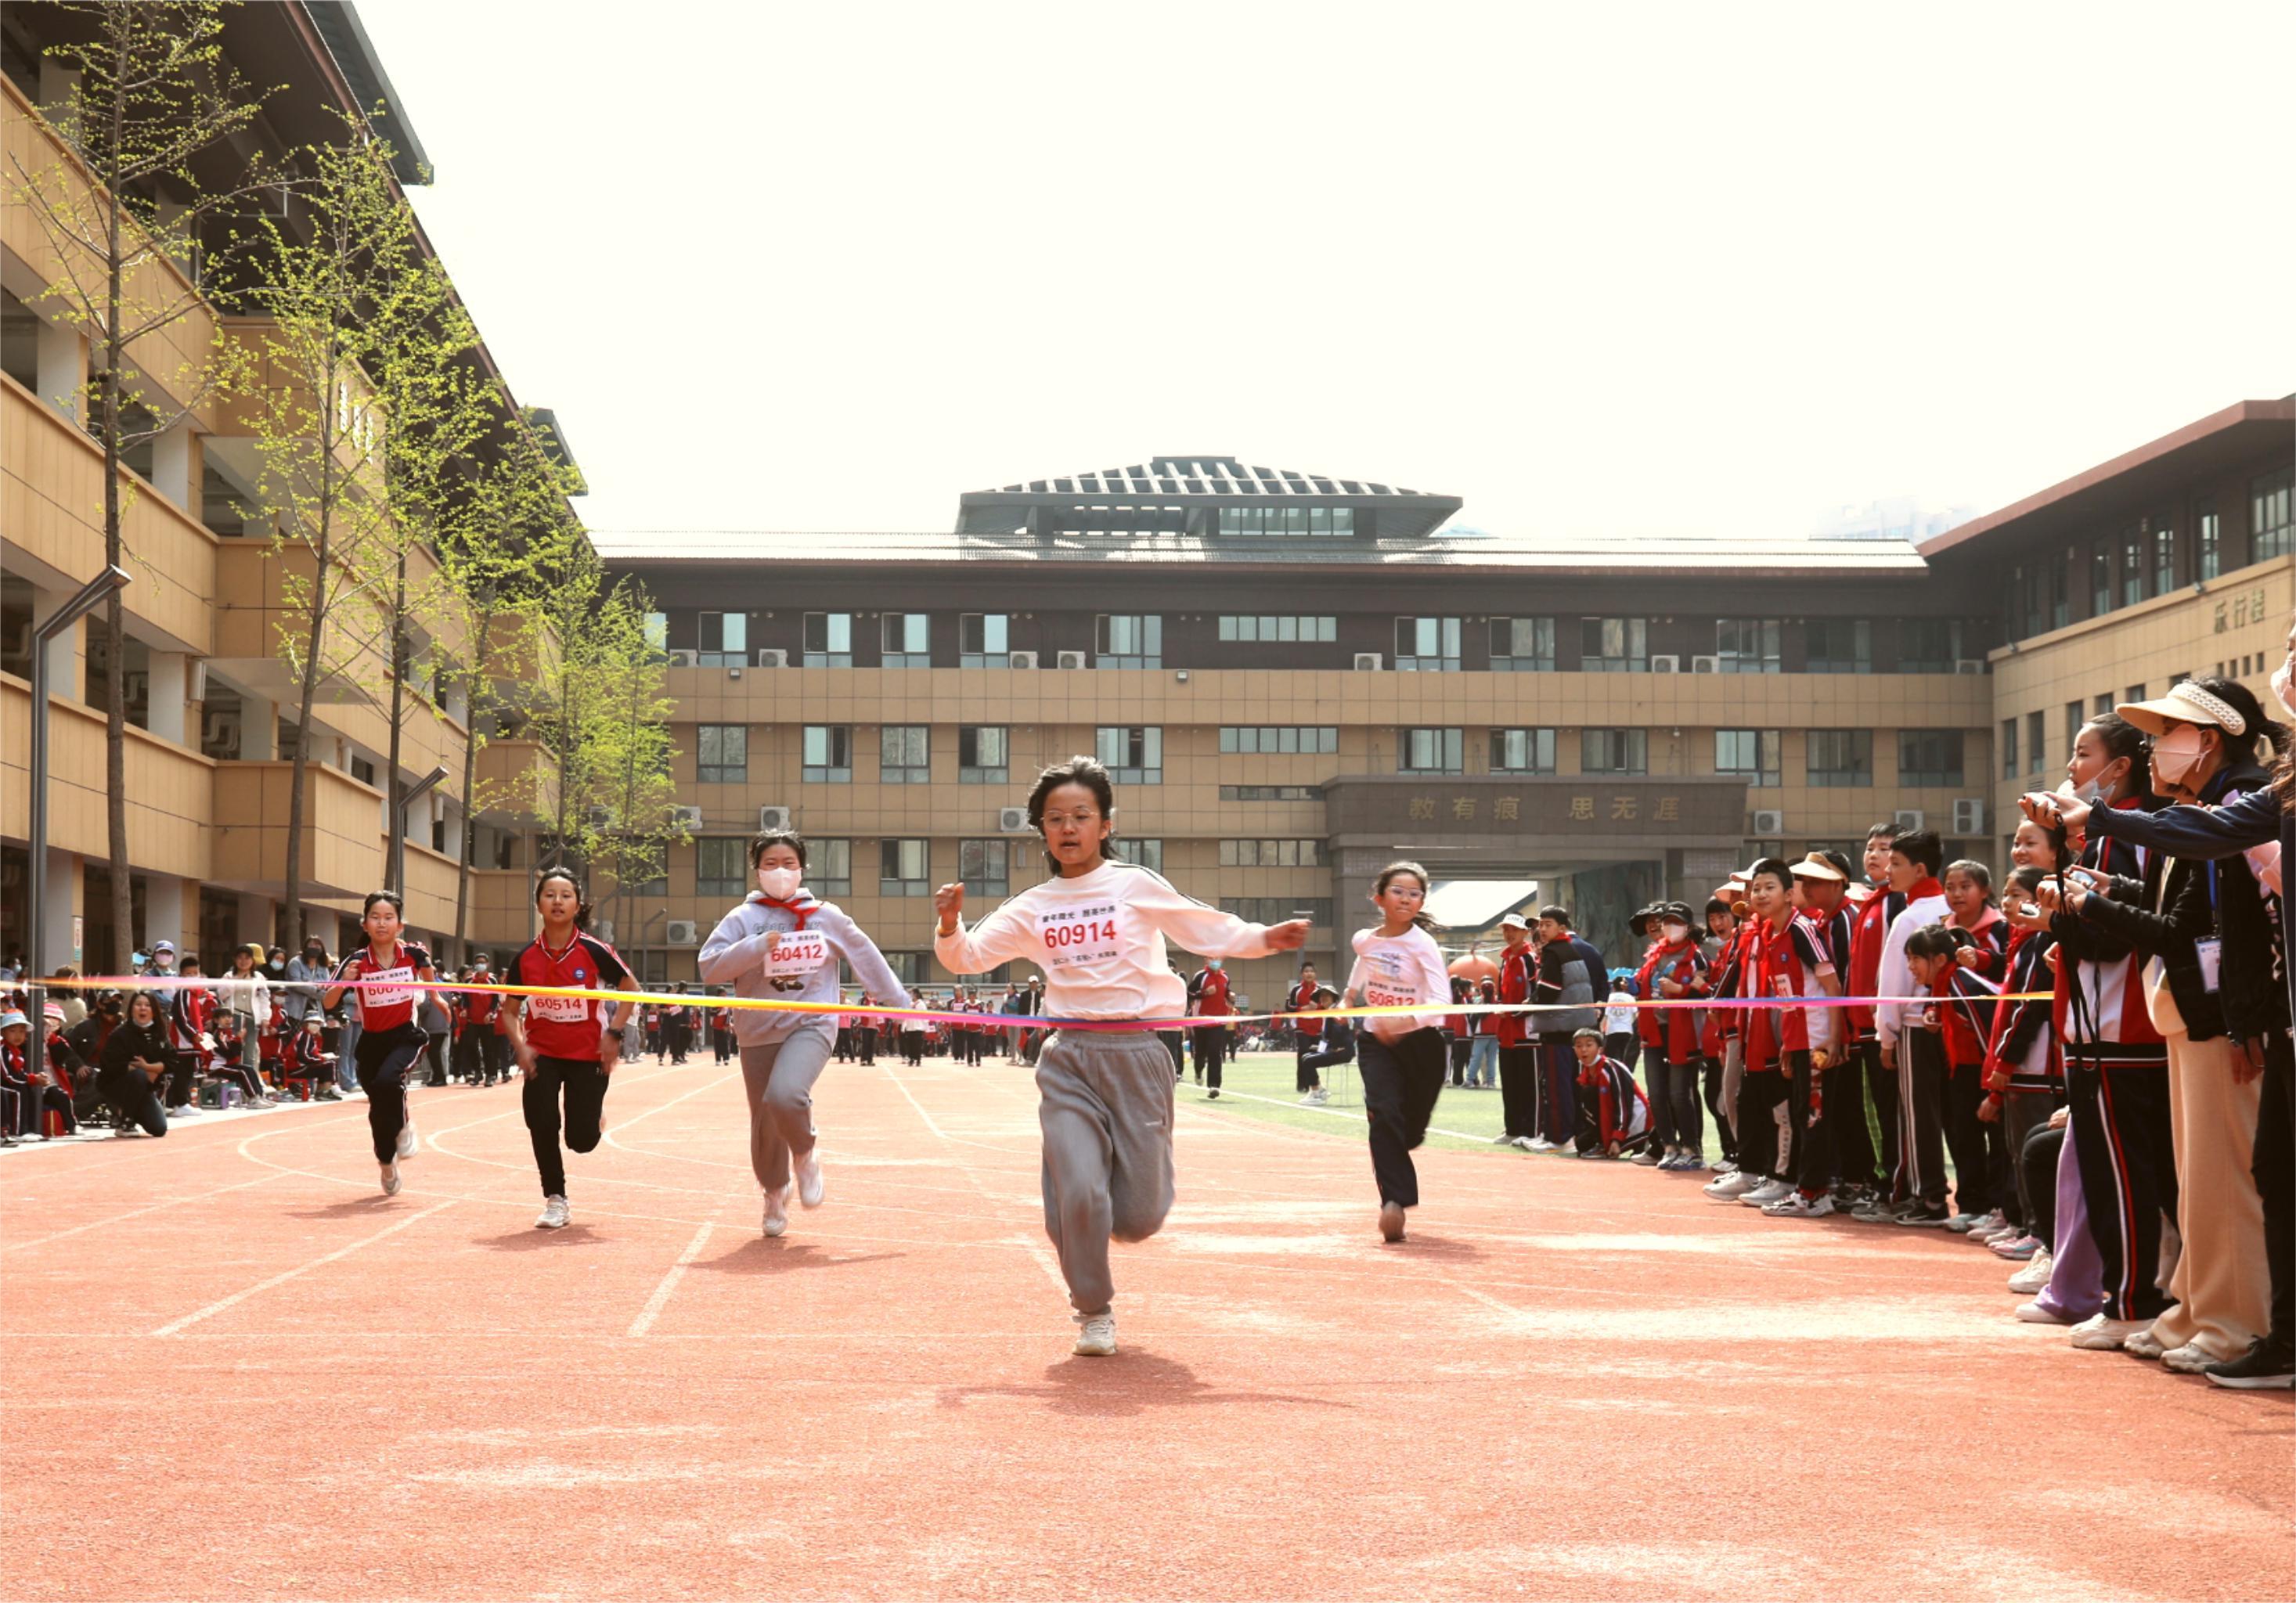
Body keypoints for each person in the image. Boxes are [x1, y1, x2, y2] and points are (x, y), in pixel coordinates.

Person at [933, 754, 1307, 1356]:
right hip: (1070, 1058)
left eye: (1081, 815)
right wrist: (950, 924)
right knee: (1080, 1192)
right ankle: (1093, 1310)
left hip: (1138, 1055)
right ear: (1043, 829)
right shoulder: (1033, 905)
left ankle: (1110, 1193)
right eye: (1055, 818)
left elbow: (1204, 929)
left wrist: (1264, 939)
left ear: (1105, 824)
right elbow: (967, 958)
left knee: (1137, 1218)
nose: (1068, 827)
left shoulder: (1132, 885)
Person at [2038, 679, 2276, 1372]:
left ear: (2208, 739)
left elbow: (2202, 932)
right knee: (2197, 1179)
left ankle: (2233, 1323)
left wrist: (2099, 894)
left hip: (2220, 1014)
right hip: (2190, 1011)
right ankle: (2198, 1310)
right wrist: (2108, 893)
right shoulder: (2200, 805)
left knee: (2224, 1179)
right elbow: (2184, 917)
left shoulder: (2237, 800)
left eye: (2168, 730)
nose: (2154, 748)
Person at [700, 829, 913, 1239]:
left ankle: (805, 1153)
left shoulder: (825, 916)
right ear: (757, 870)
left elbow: (865, 955)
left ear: (802, 868)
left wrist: (897, 1001)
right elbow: (710, 967)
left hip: (810, 1025)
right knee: (764, 1121)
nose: (780, 872)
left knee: (786, 1095)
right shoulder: (743, 919)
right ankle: (774, 1192)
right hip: (758, 1030)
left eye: (789, 864)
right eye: (770, 864)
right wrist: (757, 946)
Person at [503, 868, 636, 1230]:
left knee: (581, 1141)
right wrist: (521, 1046)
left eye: (566, 895)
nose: (557, 901)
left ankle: (593, 1119)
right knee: (541, 1121)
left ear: (578, 904)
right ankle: (555, 1198)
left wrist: (614, 1033)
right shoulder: (526, 957)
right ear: (539, 904)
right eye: (549, 895)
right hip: (542, 1053)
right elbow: (510, 1011)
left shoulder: (594, 951)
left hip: (587, 1054)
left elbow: (631, 988)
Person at [1343, 862, 1452, 1241]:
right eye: (1398, 891)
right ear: (1380, 898)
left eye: (1415, 893)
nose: (1406, 898)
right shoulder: (1364, 939)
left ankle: (1404, 1143)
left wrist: (1403, 1019)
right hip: (1376, 1042)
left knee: (1409, 1129)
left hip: (1421, 1043)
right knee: (1383, 1113)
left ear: (1421, 902)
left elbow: (1441, 1001)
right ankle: (1394, 1203)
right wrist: (1348, 996)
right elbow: (1365, 961)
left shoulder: (1423, 944)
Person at [1861, 829, 1953, 1223]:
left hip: (1916, 1028)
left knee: (1919, 1118)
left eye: (1896, 863)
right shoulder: (1950, 908)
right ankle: (1968, 1199)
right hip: (1954, 1027)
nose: (1887, 869)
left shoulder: (1910, 917)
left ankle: (1928, 1197)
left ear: (1919, 869)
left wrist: (1886, 1036)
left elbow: (1892, 984)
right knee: (1951, 1116)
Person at [320, 891, 435, 1197]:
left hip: (405, 1036)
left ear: (400, 925)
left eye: (388, 918)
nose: (382, 923)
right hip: (371, 1042)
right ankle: (386, 1162)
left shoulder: (413, 954)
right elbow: (328, 1001)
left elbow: (433, 981)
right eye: (375, 917)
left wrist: (439, 1001)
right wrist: (346, 980)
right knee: (378, 1110)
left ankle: (405, 1126)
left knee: (389, 1081)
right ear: (364, 924)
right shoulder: (356, 961)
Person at [1530, 906, 1604, 1155]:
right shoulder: (1571, 950)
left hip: (1557, 1028)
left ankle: (1559, 1137)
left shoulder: (1553, 953)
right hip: (1572, 1028)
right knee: (1570, 1085)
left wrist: (1526, 1006)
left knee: (1556, 1085)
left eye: (1547, 924)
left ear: (1562, 928)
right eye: (1541, 924)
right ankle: (1569, 1135)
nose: (1542, 929)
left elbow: (1548, 992)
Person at [1491, 912, 1541, 1150]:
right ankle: (1512, 1129)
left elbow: (1535, 994)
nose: (1509, 934)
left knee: (1527, 1084)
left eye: (1514, 930)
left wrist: (1515, 1013)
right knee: (1509, 1082)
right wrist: (1502, 1008)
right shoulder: (1506, 959)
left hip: (1527, 1032)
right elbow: (1503, 993)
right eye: (1505, 930)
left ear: (1525, 932)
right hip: (1506, 1032)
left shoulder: (1529, 958)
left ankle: (1529, 1129)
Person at [98, 991, 172, 1137]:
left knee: (159, 1129)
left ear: (154, 1010)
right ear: (131, 1009)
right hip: (116, 1085)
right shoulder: (120, 1034)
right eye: (138, 1005)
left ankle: (133, 1110)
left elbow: (172, 1062)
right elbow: (108, 1065)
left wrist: (149, 1067)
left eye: (147, 1005)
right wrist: (141, 1069)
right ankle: (126, 1122)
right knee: (138, 1075)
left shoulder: (160, 1034)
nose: (143, 1008)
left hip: (146, 1088)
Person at [1572, 1028, 1653, 1158]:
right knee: (1582, 1144)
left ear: (1600, 1049)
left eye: (1589, 1045)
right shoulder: (1585, 1071)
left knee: (1590, 1094)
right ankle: (1603, 1140)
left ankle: (1642, 1139)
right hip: (1612, 1119)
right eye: (1579, 1046)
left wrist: (1616, 1138)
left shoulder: (1611, 1068)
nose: (1584, 1050)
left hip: (1637, 1119)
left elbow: (1624, 1104)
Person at [2, 1010, 77, 1138]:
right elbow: (8, 1075)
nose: (18, 1035)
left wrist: (34, 1079)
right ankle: (20, 1131)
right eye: (13, 1031)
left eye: (21, 1031)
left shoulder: (19, 1050)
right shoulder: (5, 1049)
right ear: (3, 1032)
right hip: (8, 1083)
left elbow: (66, 1055)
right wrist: (33, 1079)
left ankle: (71, 1126)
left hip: (33, 1082)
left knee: (58, 1094)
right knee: (21, 1092)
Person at [1285, 961, 1328, 1103]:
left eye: (1311, 971)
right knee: (1303, 1054)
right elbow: (1289, 1007)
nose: (1309, 973)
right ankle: (1303, 1085)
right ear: (1302, 974)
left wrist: (1319, 1006)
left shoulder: (1322, 990)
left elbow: (1329, 1006)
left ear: (1315, 974)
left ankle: (1315, 1085)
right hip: (1302, 1028)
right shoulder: (1295, 990)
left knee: (1314, 1058)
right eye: (1306, 971)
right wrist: (1302, 1009)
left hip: (1317, 1029)